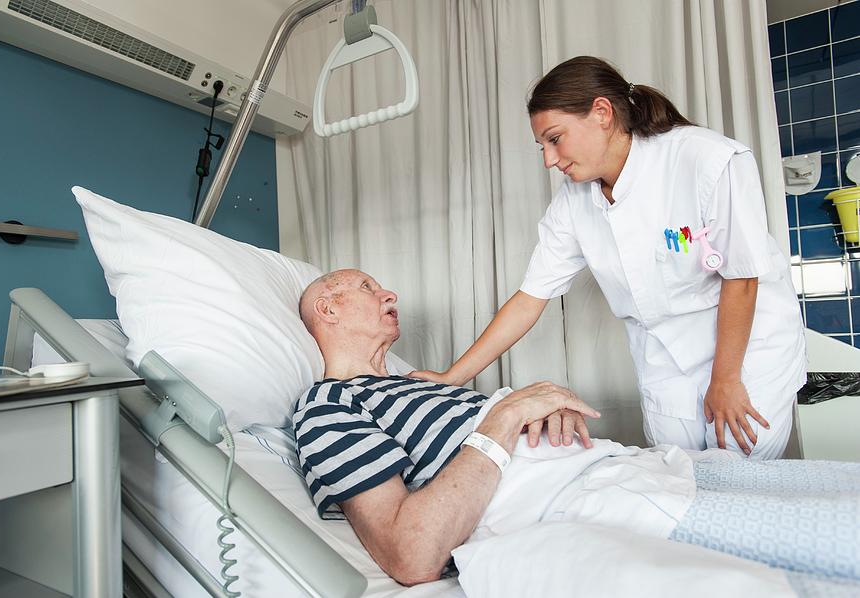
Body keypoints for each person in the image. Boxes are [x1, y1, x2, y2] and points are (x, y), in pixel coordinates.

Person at [294, 268, 858, 591]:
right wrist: (507, 414)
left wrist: (535, 413)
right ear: (329, 308)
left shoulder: (419, 385)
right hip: (594, 500)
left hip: (639, 467)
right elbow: (410, 553)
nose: (390, 294)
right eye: (368, 287)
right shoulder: (327, 404)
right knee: (838, 540)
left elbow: (479, 445)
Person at [413, 56, 806, 460]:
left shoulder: (706, 160)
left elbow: (741, 277)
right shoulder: (574, 201)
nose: (549, 160)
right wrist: (451, 377)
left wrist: (726, 379)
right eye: (542, 146)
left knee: (741, 474)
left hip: (747, 351)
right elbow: (530, 299)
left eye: (555, 138)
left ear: (601, 112)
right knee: (678, 476)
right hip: (662, 357)